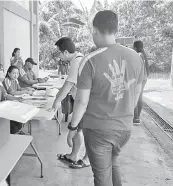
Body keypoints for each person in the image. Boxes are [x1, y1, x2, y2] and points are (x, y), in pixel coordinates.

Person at [69, 10, 144, 186]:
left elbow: (81, 101)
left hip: (99, 130)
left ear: (95, 30)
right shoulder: (135, 57)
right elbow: (136, 95)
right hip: (124, 128)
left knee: (102, 177)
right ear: (115, 30)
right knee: (113, 164)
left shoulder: (90, 60)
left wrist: (73, 126)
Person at [49, 37, 89, 169]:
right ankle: (73, 155)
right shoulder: (78, 59)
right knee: (78, 129)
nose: (59, 56)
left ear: (65, 52)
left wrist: (56, 101)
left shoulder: (76, 62)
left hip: (87, 104)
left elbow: (68, 85)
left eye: (59, 53)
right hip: (81, 102)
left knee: (87, 131)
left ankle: (87, 159)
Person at [133, 40, 149, 125]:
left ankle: (136, 118)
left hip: (140, 78)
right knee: (140, 97)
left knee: (136, 96)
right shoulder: (143, 55)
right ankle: (137, 117)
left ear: (135, 47)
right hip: (144, 77)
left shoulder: (138, 56)